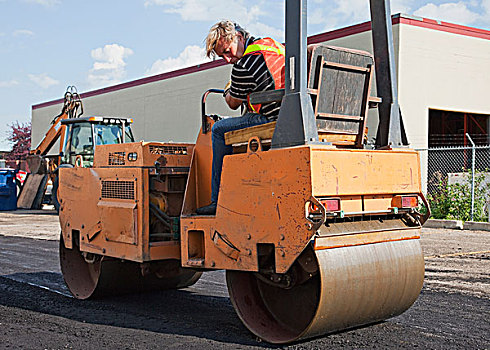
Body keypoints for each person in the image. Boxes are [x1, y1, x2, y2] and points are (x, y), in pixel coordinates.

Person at [196, 20, 285, 215]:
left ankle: (216, 200)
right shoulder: (273, 46)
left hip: (271, 119)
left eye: (227, 51)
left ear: (239, 37)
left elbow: (233, 103)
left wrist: (228, 88)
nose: (228, 59)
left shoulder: (243, 65)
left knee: (219, 129)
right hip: (291, 114)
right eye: (222, 56)